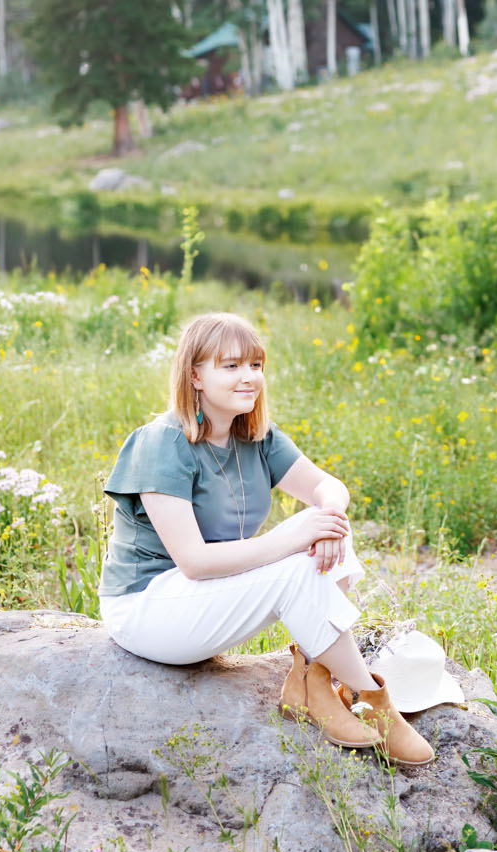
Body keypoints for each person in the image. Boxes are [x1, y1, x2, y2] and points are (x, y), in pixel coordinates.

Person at [97, 311, 432, 769]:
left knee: (332, 522)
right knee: (300, 556)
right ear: (195, 374)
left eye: (255, 365)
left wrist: (327, 517)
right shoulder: (160, 443)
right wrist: (298, 537)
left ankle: (314, 681)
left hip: (208, 598)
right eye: (230, 366)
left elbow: (328, 487)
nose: (249, 377)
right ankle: (370, 698)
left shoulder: (254, 436)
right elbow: (193, 562)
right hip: (150, 606)